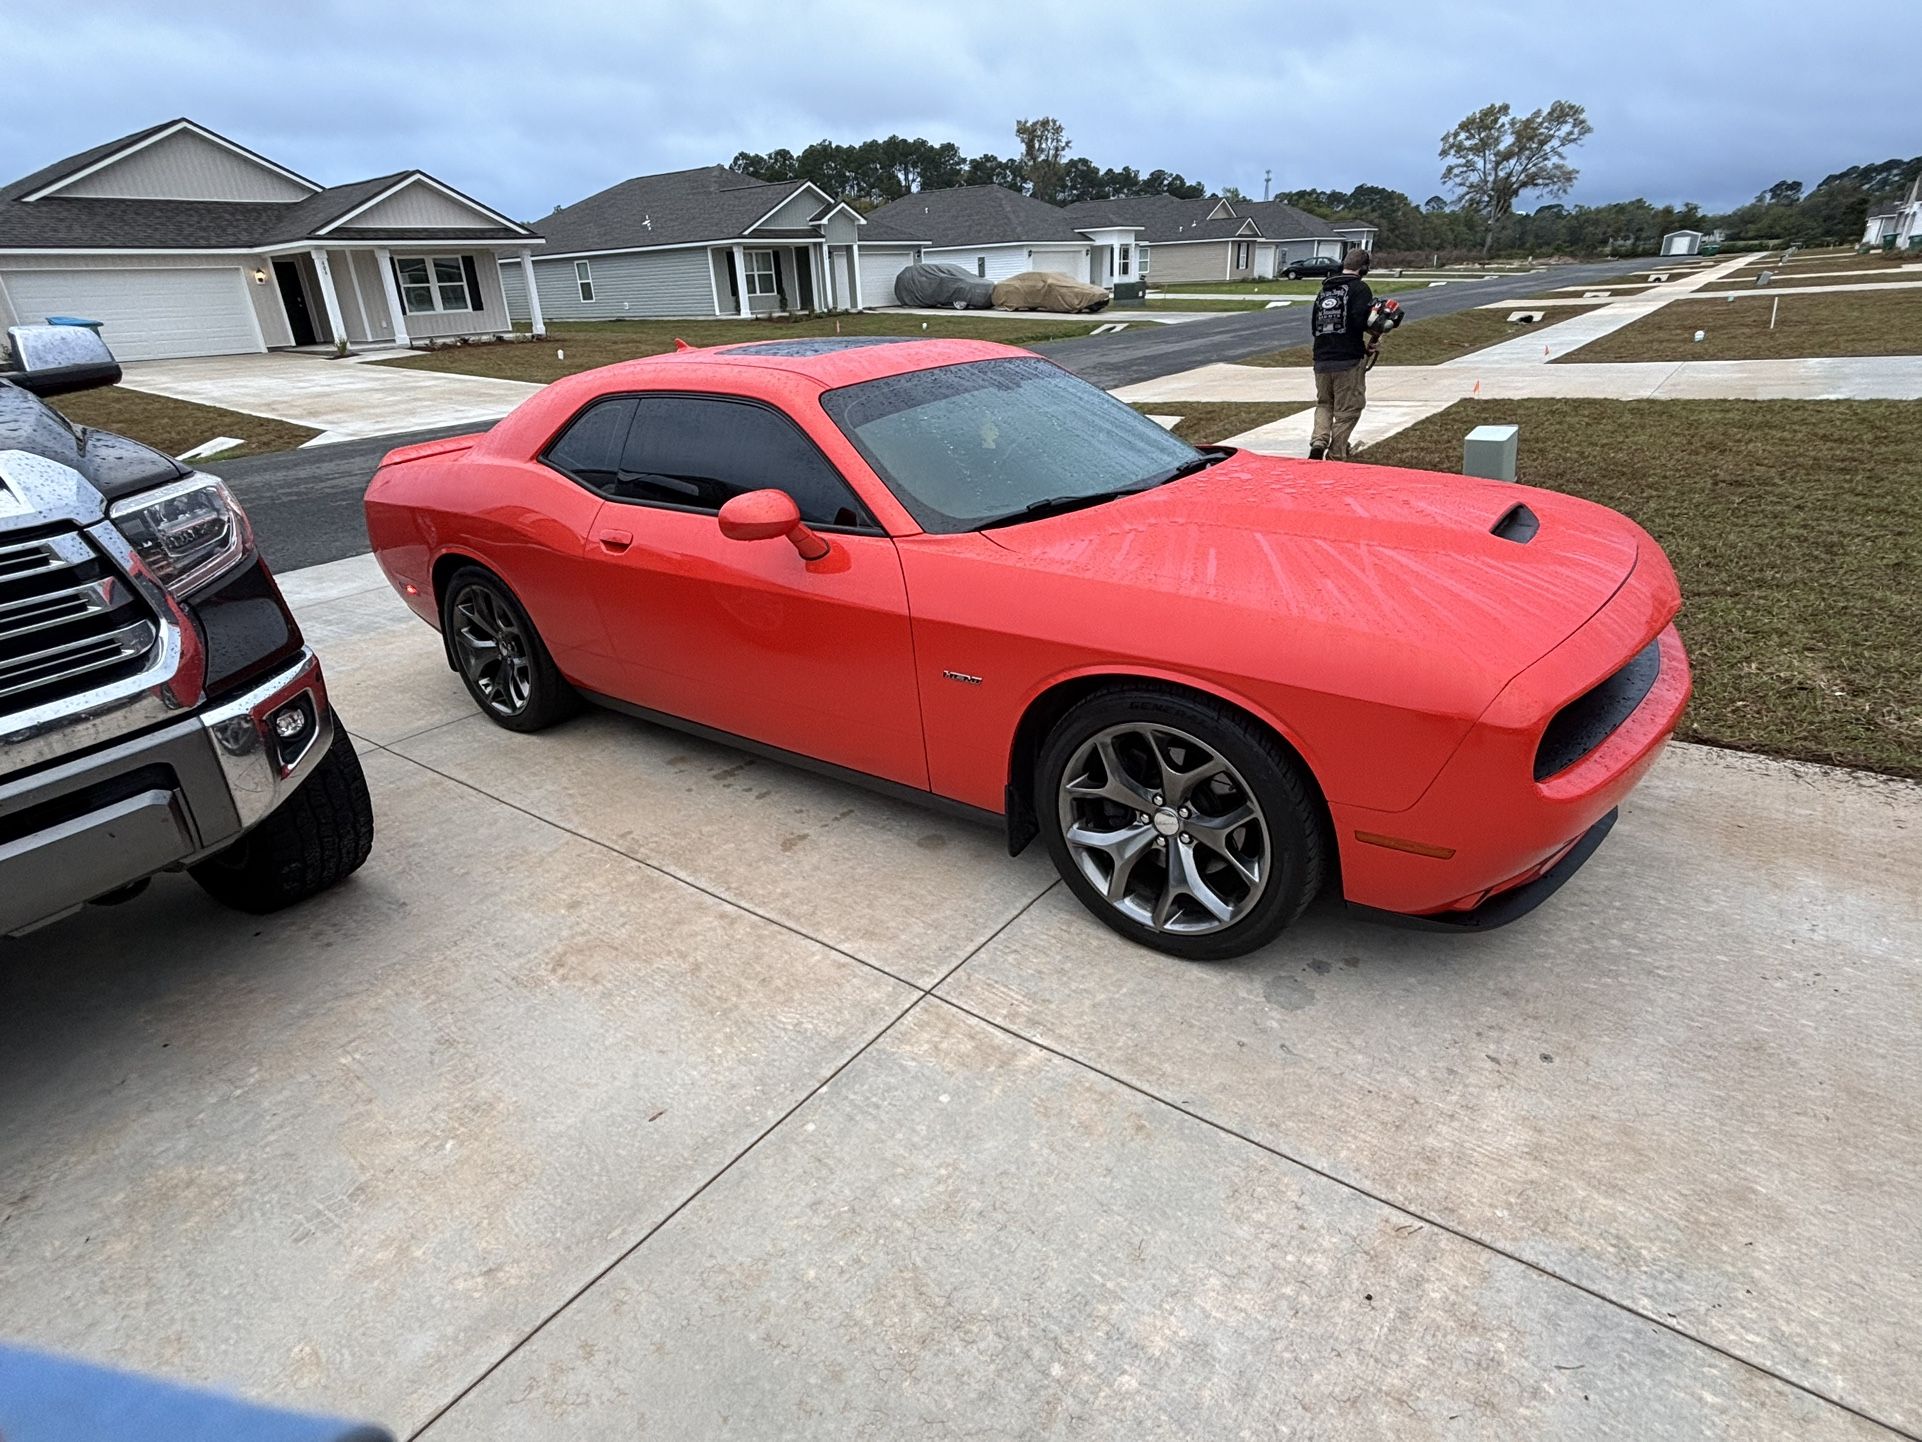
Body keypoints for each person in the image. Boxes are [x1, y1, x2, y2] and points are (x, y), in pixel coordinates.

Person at [1308, 249, 1376, 461]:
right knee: (1348, 410)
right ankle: (1336, 455)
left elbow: (1314, 326)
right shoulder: (1360, 289)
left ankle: (1319, 442)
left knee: (1324, 403)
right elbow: (1359, 321)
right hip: (1348, 360)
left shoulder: (1325, 291)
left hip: (1321, 358)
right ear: (1363, 268)